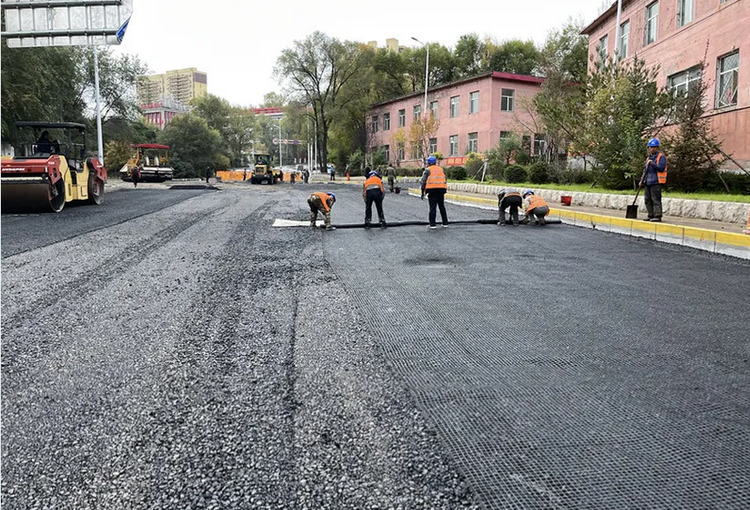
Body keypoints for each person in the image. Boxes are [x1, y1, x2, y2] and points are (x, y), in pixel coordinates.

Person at [639, 138, 668, 222]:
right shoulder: (648, 158)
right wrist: (642, 180)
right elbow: (645, 170)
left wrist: (653, 164)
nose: (651, 149)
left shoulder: (661, 157)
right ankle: (650, 215)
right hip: (648, 181)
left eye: (653, 147)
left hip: (656, 181)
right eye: (650, 147)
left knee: (655, 199)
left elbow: (661, 168)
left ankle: (657, 216)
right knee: (647, 199)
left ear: (656, 147)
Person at [420, 155, 449, 229]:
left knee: (433, 207)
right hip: (441, 190)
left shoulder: (427, 170)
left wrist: (422, 192)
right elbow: (445, 179)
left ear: (428, 163)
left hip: (432, 190)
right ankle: (445, 222)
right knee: (441, 206)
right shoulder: (441, 169)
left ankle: (432, 224)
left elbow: (423, 181)